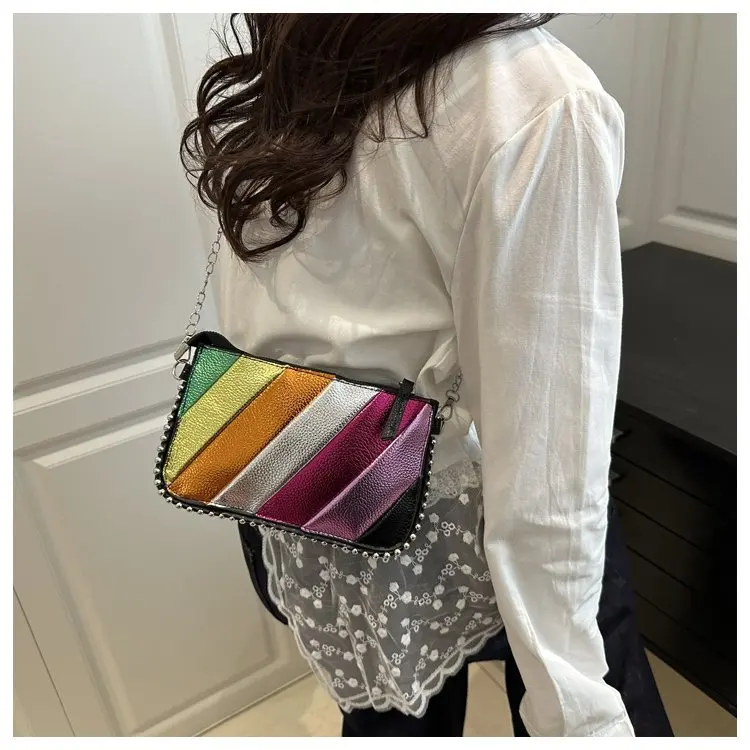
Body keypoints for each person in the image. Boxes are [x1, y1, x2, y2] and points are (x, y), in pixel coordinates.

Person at [181, 14, 671, 737]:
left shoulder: (310, 46)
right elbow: (546, 464)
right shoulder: (532, 96)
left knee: (391, 722)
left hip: (293, 481)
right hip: (429, 502)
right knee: (577, 662)